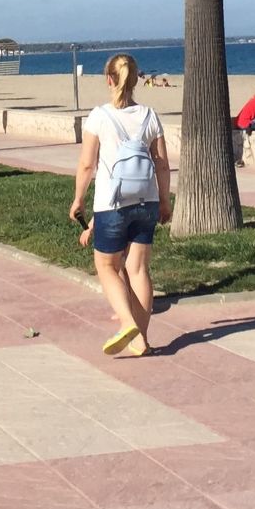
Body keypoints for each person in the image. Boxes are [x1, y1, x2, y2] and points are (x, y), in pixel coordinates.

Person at [69, 53, 171, 356]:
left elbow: (87, 164)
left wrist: (78, 199)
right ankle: (141, 340)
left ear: (109, 80)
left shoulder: (100, 116)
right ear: (137, 79)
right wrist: (164, 200)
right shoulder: (150, 116)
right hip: (146, 200)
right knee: (138, 270)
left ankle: (127, 323)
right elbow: (162, 164)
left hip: (111, 203)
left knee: (106, 265)